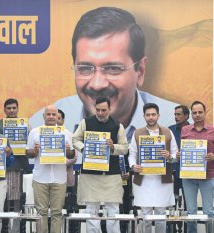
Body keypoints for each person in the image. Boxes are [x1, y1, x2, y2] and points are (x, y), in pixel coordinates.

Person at [30, 7, 178, 141]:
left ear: (140, 71)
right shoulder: (39, 124)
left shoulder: (175, 121)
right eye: (85, 68)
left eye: (112, 68)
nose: (97, 84)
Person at [73, 97, 128, 233]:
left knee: (113, 211)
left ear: (110, 109)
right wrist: (85, 148)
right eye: (98, 110)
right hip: (90, 174)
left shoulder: (117, 125)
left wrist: (113, 147)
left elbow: (125, 148)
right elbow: (75, 139)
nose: (100, 113)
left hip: (112, 175)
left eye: (104, 110)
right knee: (91, 210)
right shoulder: (85, 123)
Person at [129, 103, 177, 233]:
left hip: (162, 180)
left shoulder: (168, 132)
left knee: (161, 215)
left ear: (158, 115)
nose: (151, 117)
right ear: (144, 116)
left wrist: (169, 157)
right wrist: (133, 166)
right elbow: (132, 155)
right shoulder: (137, 133)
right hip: (144, 180)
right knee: (145, 216)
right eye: (148, 115)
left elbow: (175, 156)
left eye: (153, 114)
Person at [26, 105, 75, 233]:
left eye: (54, 115)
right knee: (41, 212)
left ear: (58, 117)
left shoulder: (66, 133)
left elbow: (72, 154)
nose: (52, 117)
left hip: (59, 178)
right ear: (44, 116)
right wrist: (35, 151)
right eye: (49, 114)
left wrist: (68, 150)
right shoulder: (35, 132)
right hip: (40, 178)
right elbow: (28, 153)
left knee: (57, 213)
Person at [0, 98, 31, 233]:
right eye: (9, 108)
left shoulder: (26, 124)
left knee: (19, 201)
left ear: (18, 109)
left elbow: (31, 144)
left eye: (14, 108)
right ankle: (3, 229)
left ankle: (16, 230)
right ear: (4, 110)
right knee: (3, 200)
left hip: (21, 165)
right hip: (3, 168)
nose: (12, 110)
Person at [179, 101, 214, 233]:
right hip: (188, 177)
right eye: (195, 112)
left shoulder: (213, 130)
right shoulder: (185, 130)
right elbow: (183, 151)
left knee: (209, 212)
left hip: (208, 175)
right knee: (191, 212)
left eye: (200, 112)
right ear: (191, 115)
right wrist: (180, 154)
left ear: (205, 113)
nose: (197, 115)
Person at [168, 105, 189, 222]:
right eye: (175, 114)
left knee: (188, 204)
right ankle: (169, 228)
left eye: (179, 114)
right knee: (171, 204)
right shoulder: (170, 130)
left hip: (189, 173)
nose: (176, 117)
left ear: (186, 116)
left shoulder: (193, 129)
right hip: (174, 172)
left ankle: (188, 228)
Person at [57, 109, 78, 193]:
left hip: (65, 177)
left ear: (63, 120)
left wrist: (59, 161)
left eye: (58, 118)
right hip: (49, 179)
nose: (56, 120)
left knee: (65, 204)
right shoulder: (45, 134)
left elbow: (75, 157)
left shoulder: (70, 135)